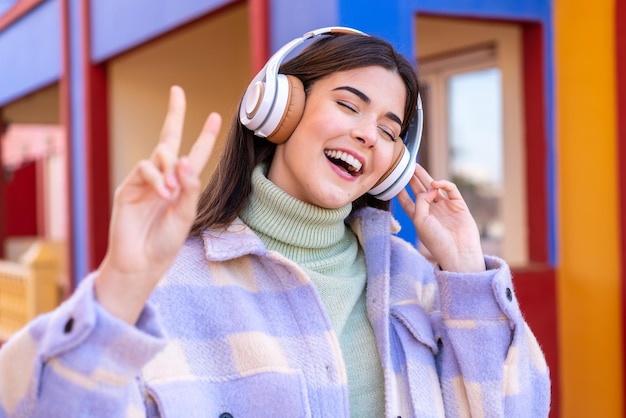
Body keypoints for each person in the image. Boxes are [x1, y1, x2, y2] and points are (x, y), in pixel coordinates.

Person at [0, 27, 550, 417]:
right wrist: (120, 285)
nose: (368, 134)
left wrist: (466, 268)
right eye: (348, 104)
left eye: (389, 129)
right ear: (278, 108)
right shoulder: (173, 284)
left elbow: (517, 408)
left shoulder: (419, 283)